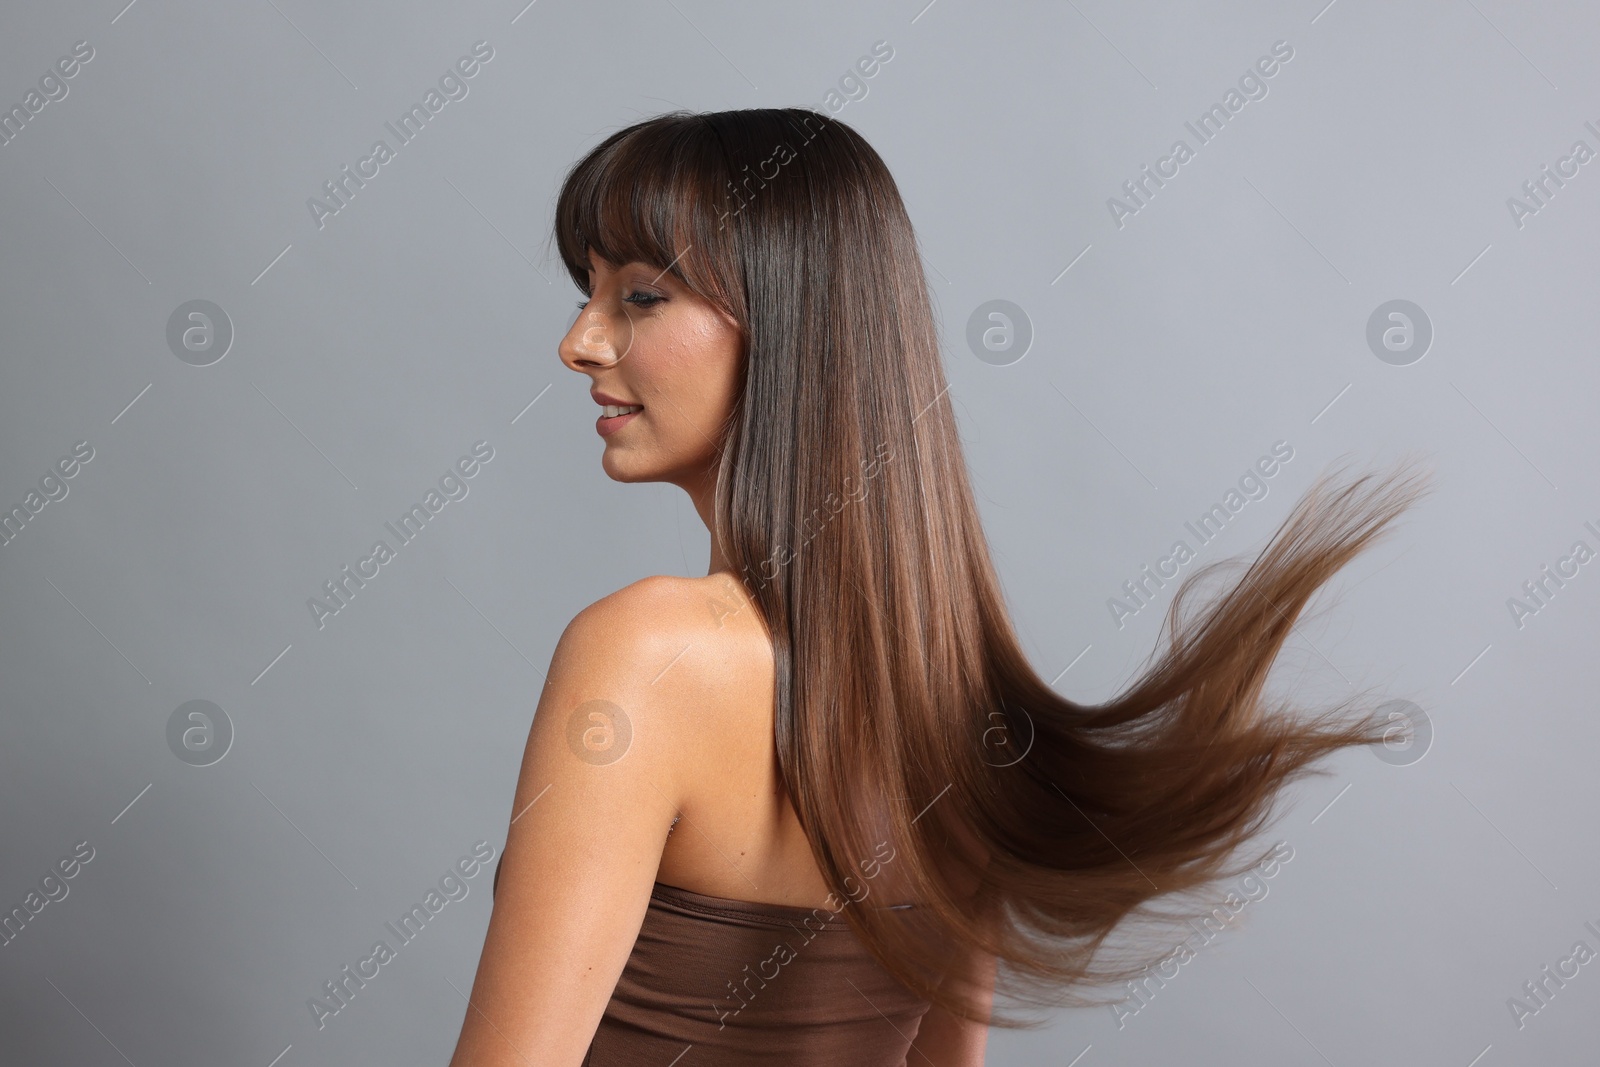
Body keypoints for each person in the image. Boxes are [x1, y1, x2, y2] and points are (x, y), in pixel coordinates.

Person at [447, 108, 1432, 1066]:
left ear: (792, 322)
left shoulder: (646, 650)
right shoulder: (960, 700)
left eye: (640, 296)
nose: (579, 341)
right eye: (588, 291)